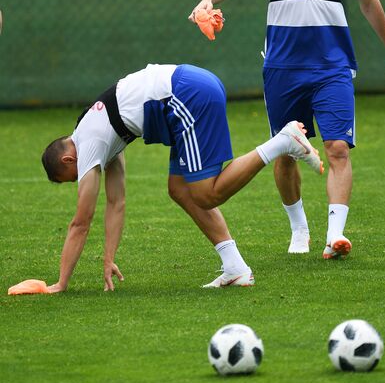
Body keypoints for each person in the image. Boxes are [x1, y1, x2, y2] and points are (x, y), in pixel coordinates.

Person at [189, 0, 385, 259]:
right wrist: (207, 0)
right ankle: (299, 228)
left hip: (332, 67)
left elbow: (369, 2)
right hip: (282, 69)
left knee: (338, 147)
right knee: (287, 153)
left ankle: (335, 237)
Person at [41, 63, 323, 293]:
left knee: (205, 193)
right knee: (179, 189)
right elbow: (116, 202)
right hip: (186, 94)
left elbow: (81, 221)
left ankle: (282, 142)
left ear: (69, 160)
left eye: (71, 177)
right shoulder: (96, 134)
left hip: (186, 96)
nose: (78, 182)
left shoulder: (88, 141)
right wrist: (108, 257)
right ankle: (236, 268)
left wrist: (60, 283)